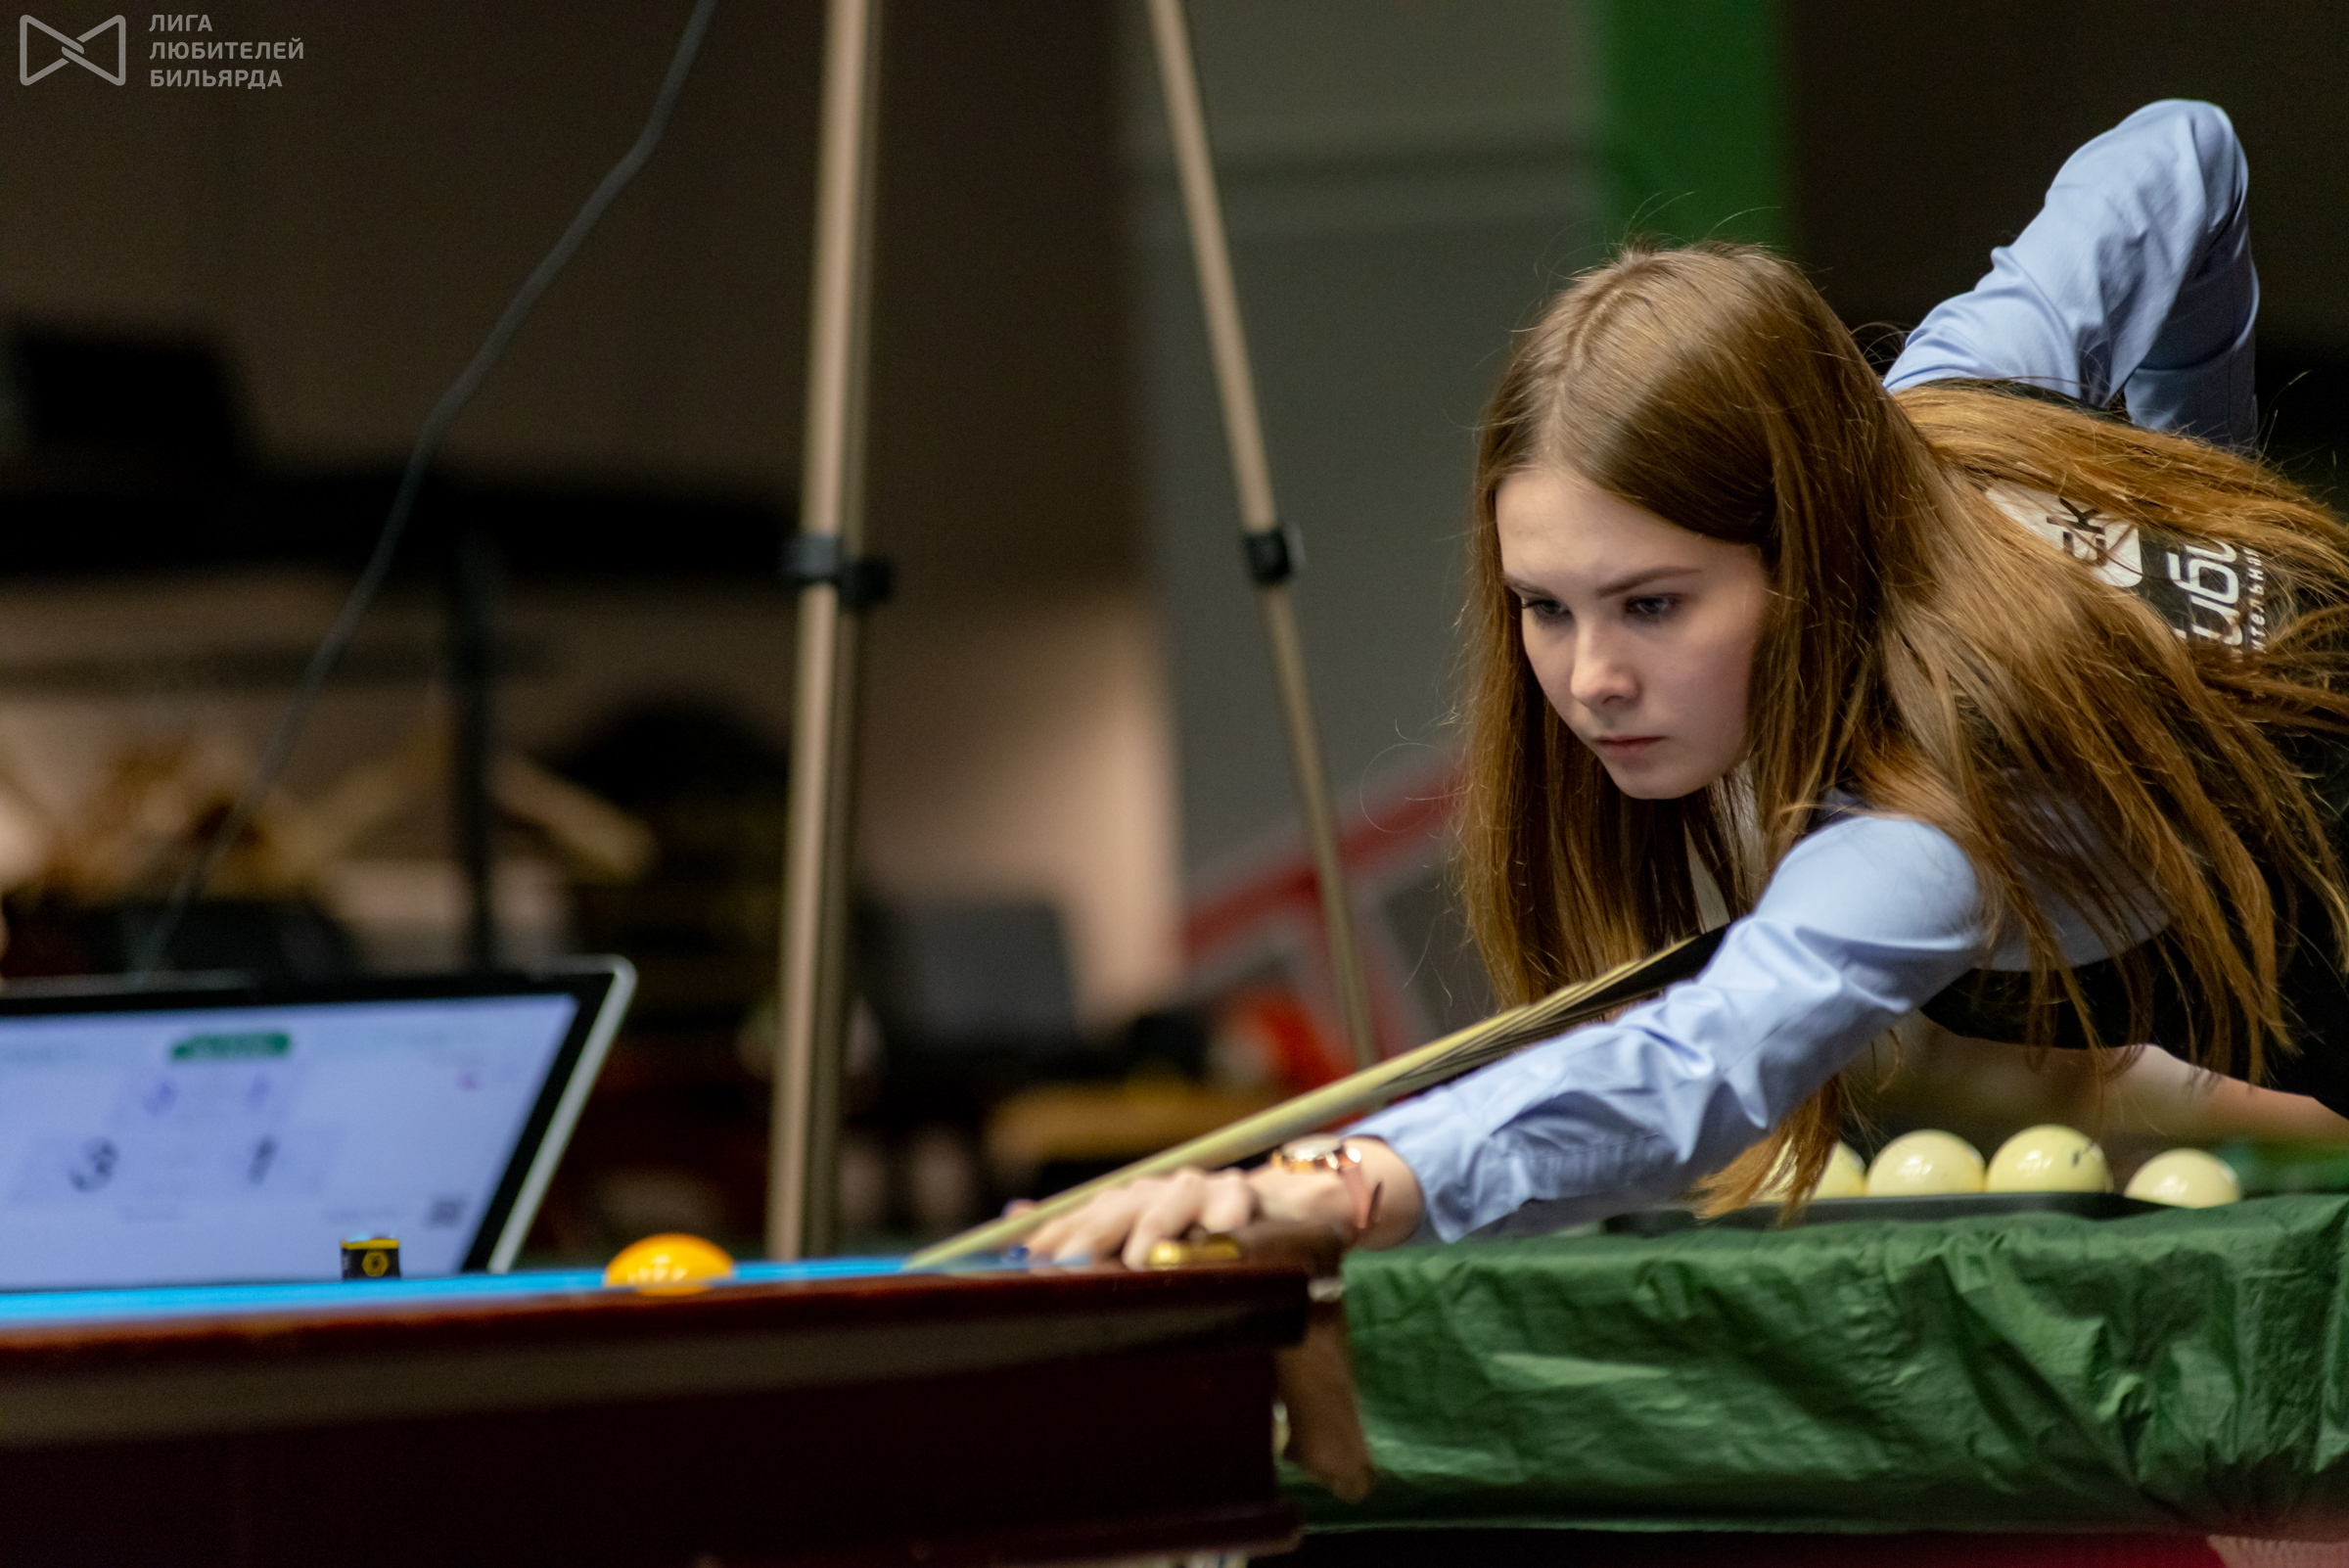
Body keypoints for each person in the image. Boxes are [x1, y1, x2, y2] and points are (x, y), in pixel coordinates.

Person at [1024, 99, 2349, 1267]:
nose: (1592, 679)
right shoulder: (1938, 408)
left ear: (1808, 551)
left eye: (1653, 605)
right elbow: (2180, 153)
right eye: (1546, 607)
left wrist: (1339, 1182)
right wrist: (2193, 489)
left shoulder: (1938, 806)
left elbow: (1702, 1062)